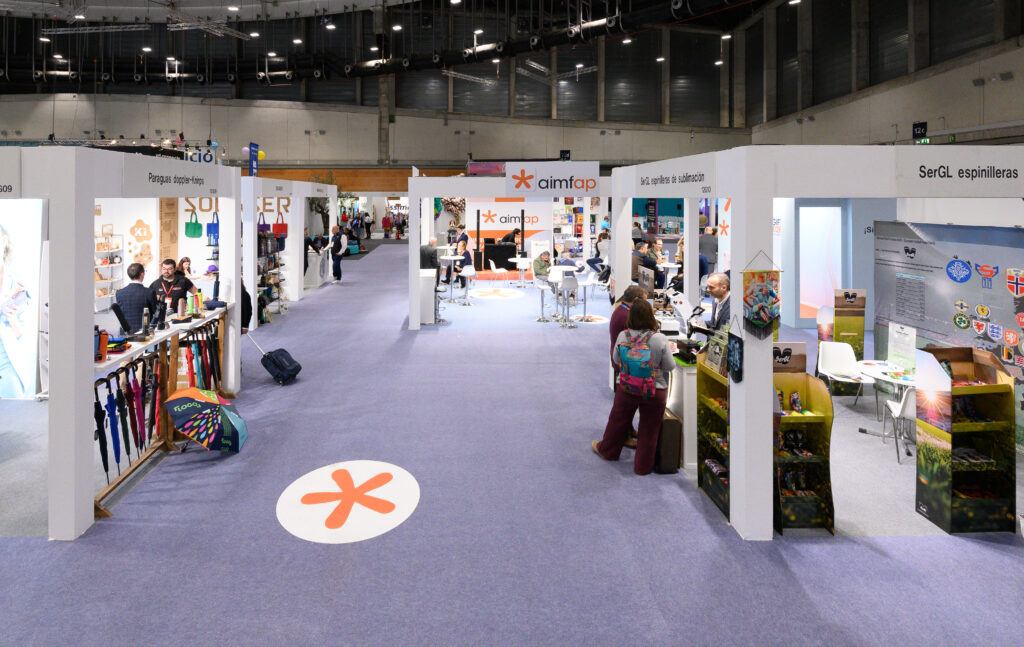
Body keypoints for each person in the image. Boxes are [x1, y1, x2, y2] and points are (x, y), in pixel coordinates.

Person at [592, 298, 676, 475]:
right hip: (655, 390)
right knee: (649, 429)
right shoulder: (659, 338)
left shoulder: (623, 336)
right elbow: (670, 366)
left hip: (627, 388)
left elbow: (616, 360)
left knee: (618, 421)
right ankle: (642, 467)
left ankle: (608, 451)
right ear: (651, 316)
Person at [0, 223, 33, 398]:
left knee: (14, 410)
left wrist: (12, 318)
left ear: (4, 240)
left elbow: (21, 333)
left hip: (7, 361)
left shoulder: (15, 281)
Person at [115, 263, 151, 333]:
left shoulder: (119, 293)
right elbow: (154, 313)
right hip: (144, 332)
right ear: (142, 274)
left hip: (125, 333)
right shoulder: (149, 292)